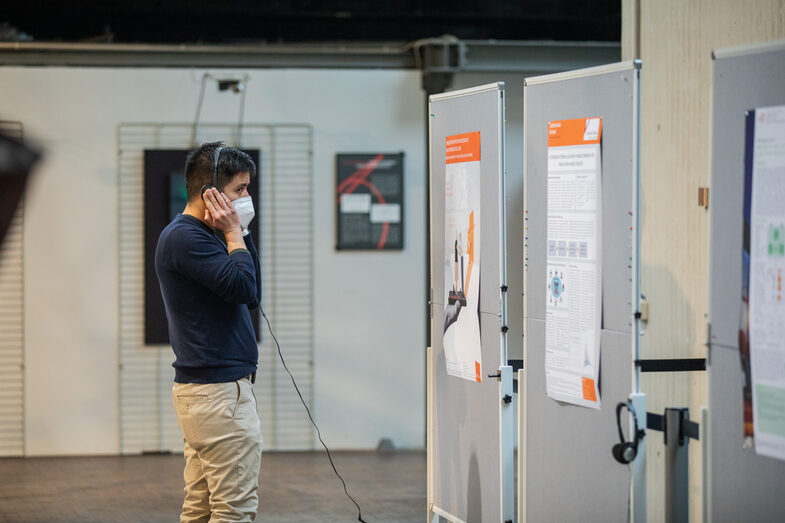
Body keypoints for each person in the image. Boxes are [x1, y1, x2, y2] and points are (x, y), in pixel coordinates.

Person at [155, 141, 263, 522]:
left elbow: (252, 294)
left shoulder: (204, 236)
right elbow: (244, 288)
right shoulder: (186, 238)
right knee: (234, 511)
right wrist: (235, 236)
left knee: (201, 508)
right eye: (240, 189)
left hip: (211, 395)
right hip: (217, 396)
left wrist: (242, 234)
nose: (247, 197)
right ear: (210, 194)